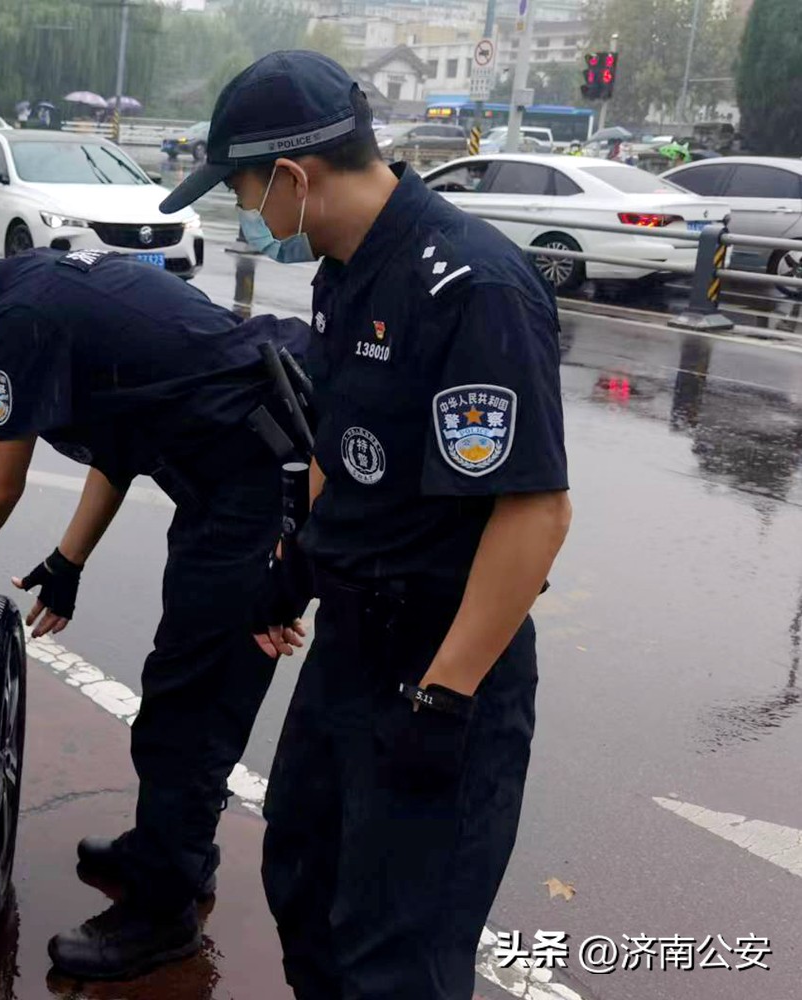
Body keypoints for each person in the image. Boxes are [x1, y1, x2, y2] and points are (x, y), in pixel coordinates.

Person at [159, 50, 573, 999]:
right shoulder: (345, 273)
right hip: (351, 647)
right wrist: (297, 562)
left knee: (399, 956)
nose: (246, 214)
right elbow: (346, 448)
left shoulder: (474, 287)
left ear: (296, 180)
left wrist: (447, 695)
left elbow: (535, 511)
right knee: (302, 881)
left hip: (438, 664)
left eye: (245, 191)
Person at [0, 226, 312, 980]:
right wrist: (70, 559)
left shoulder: (16, 326)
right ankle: (169, 849)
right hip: (227, 475)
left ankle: (162, 911)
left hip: (263, 476)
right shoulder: (41, 285)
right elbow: (122, 439)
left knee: (191, 701)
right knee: (181, 684)